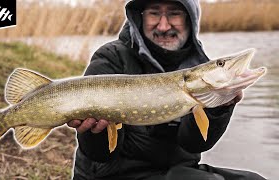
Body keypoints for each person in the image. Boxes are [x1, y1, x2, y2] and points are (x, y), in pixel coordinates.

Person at [68, 0, 266, 179]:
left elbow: (194, 144)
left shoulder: (199, 69)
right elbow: (99, 155)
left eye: (174, 13)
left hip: (174, 172)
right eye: (154, 13)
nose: (163, 26)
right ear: (140, 17)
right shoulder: (111, 58)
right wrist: (94, 133)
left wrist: (218, 108)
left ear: (190, 19)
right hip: (113, 174)